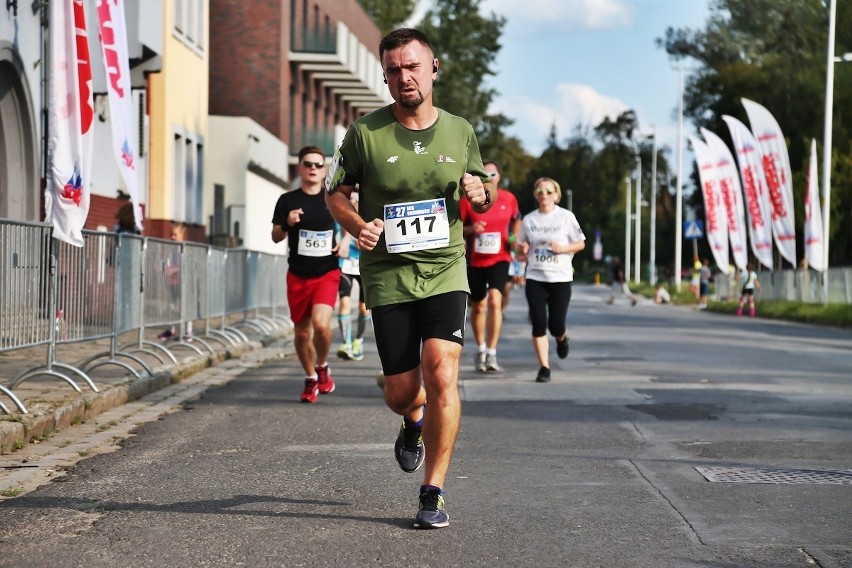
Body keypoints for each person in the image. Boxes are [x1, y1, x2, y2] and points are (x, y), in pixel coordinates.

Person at [325, 28, 494, 529]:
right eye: (395, 70)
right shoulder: (365, 133)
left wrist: (477, 192)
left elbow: (481, 192)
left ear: (433, 67)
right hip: (390, 273)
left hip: (444, 267)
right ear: (385, 75)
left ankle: (433, 492)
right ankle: (412, 422)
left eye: (413, 66)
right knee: (402, 390)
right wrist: (359, 226)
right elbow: (337, 194)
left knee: (441, 369)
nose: (405, 77)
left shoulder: (460, 131)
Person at [271, 146, 340, 403]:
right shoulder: (287, 200)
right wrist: (287, 223)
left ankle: (322, 365)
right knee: (301, 333)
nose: (313, 168)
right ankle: (311, 378)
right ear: (299, 168)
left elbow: (352, 226)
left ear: (324, 170)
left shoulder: (333, 198)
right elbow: (276, 237)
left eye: (318, 165)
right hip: (298, 275)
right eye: (308, 164)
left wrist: (345, 244)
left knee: (321, 325)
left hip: (326, 273)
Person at [515, 177, 586, 383]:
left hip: (560, 277)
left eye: (548, 191)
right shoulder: (529, 220)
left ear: (556, 195)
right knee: (538, 323)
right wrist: (522, 249)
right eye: (540, 191)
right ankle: (544, 367)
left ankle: (562, 338)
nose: (543, 194)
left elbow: (580, 244)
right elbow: (520, 247)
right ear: (535, 195)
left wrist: (562, 248)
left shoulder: (566, 217)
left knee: (555, 325)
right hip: (535, 275)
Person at [460, 159, 521, 373]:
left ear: (499, 177)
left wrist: (514, 239)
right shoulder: (468, 201)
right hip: (476, 260)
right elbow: (457, 228)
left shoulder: (509, 199)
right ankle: (481, 349)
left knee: (495, 300)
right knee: (478, 306)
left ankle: (492, 353)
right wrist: (471, 229)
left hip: (500, 257)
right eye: (484, 174)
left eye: (493, 174)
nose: (489, 178)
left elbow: (517, 220)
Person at [336, 192, 369, 362]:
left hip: (363, 265)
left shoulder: (369, 213)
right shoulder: (341, 216)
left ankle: (358, 341)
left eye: (356, 199)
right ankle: (346, 343)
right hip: (346, 265)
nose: (353, 202)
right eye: (351, 200)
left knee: (363, 307)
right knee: (344, 303)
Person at [158, 223, 192, 341]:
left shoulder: (185, 249)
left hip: (184, 282)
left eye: (175, 235)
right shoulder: (173, 251)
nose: (172, 237)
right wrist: (166, 269)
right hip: (174, 282)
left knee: (186, 307)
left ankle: (188, 331)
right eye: (171, 234)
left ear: (183, 236)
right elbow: (169, 264)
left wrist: (174, 269)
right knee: (171, 306)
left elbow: (185, 265)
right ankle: (171, 329)